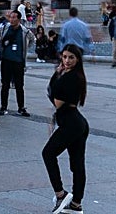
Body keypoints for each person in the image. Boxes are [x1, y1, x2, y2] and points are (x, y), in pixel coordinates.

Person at [43, 44, 89, 213]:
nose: (67, 61)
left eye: (71, 57)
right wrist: (58, 73)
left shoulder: (72, 77)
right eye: (64, 57)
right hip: (75, 123)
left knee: (48, 153)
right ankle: (76, 204)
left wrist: (57, 75)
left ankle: (61, 194)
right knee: (77, 165)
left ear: (77, 59)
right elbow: (55, 96)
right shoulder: (72, 75)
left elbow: (55, 98)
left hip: (72, 124)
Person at [0, 10, 31, 117]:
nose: (11, 20)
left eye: (14, 18)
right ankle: (3, 107)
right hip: (6, 60)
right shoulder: (5, 28)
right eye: (10, 17)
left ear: (19, 19)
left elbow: (32, 39)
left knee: (19, 85)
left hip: (18, 61)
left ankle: (21, 107)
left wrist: (25, 49)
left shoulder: (24, 31)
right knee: (5, 85)